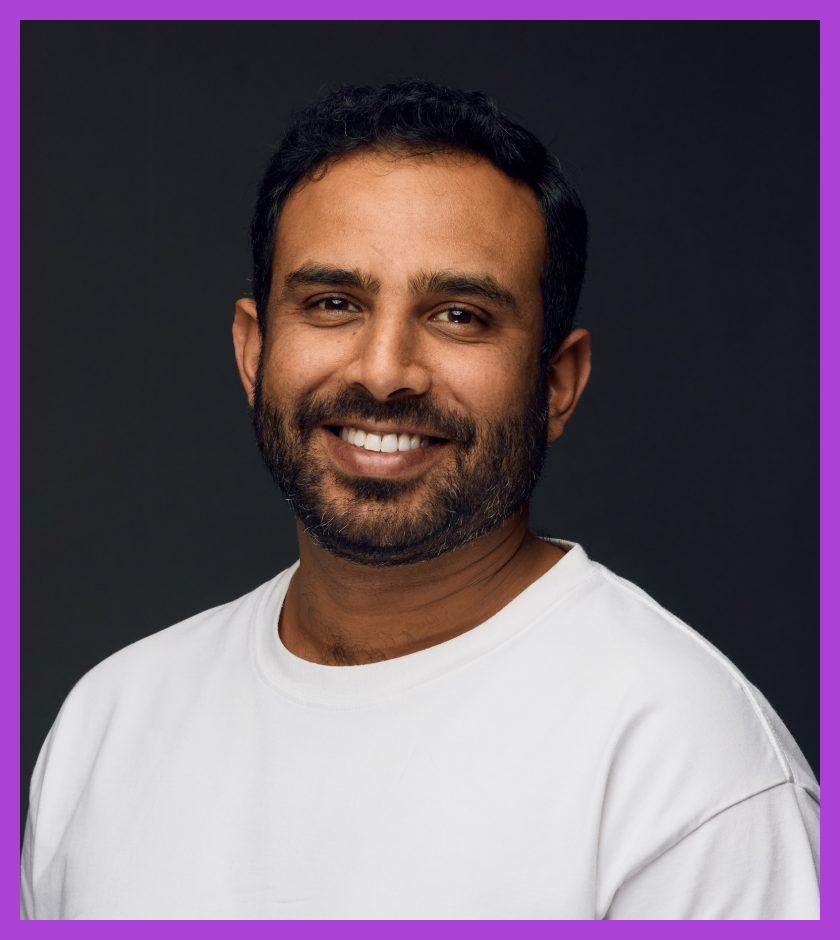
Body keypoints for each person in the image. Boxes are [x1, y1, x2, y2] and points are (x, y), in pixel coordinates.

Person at [21, 80, 819, 920]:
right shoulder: (109, 725)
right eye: (334, 304)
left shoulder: (690, 775)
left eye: (459, 315)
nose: (383, 372)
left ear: (556, 383)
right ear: (254, 352)